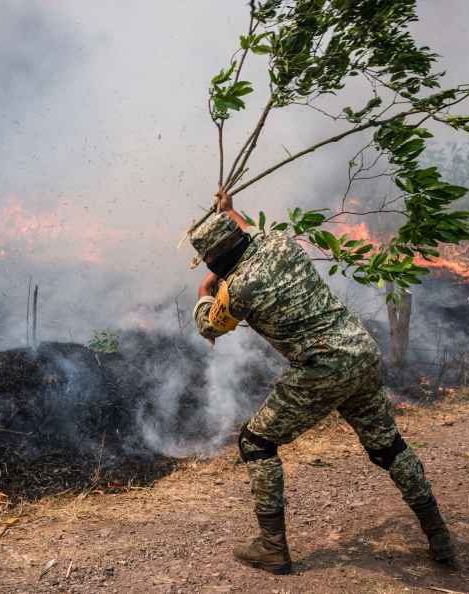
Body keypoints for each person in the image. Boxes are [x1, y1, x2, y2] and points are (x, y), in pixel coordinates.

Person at [189, 190, 455, 575]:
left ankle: (272, 547)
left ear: (216, 260)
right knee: (388, 447)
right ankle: (439, 537)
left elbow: (207, 325)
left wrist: (202, 293)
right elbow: (250, 232)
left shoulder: (238, 290)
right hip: (360, 350)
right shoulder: (277, 242)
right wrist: (231, 212)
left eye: (210, 260)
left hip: (323, 365)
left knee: (256, 443)